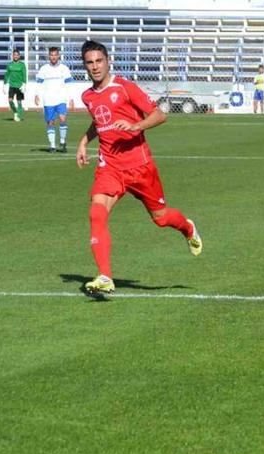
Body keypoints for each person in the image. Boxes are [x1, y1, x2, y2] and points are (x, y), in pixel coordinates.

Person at [76, 40, 203, 294]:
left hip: (140, 166)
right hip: (110, 166)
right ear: (85, 66)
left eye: (99, 61)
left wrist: (136, 126)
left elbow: (159, 114)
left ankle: (188, 228)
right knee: (96, 213)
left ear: (108, 60)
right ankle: (105, 276)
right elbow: (100, 122)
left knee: (161, 218)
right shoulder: (88, 96)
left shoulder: (125, 88)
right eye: (90, 63)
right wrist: (83, 142)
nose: (95, 67)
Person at [35, 46, 74, 153]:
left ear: (58, 56)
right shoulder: (44, 69)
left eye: (55, 54)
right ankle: (52, 145)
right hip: (48, 99)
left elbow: (69, 84)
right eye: (51, 55)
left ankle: (62, 141)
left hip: (61, 98)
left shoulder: (64, 68)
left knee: (62, 118)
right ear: (49, 56)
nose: (53, 57)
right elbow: (39, 83)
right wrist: (37, 95)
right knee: (50, 122)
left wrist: (70, 98)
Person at [3, 49, 27, 122]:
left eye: (17, 55)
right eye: (14, 55)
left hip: (19, 86)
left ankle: (18, 116)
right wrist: (4, 84)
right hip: (12, 85)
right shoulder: (9, 65)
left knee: (19, 102)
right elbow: (7, 75)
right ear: (12, 56)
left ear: (19, 56)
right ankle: (15, 112)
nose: (15, 56)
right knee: (10, 100)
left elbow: (24, 74)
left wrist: (24, 84)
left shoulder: (22, 65)